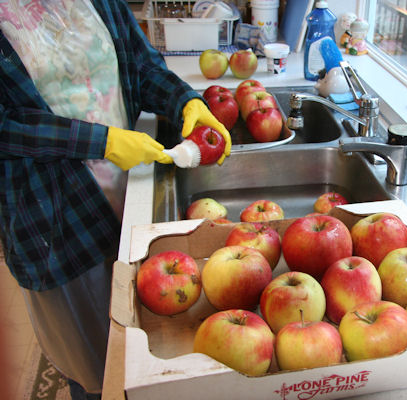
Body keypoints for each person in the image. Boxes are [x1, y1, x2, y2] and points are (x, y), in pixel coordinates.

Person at [0, 0, 231, 398]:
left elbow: (140, 64)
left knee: (147, 339)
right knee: (97, 364)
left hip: (131, 188)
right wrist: (99, 141)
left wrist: (185, 100)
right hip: (55, 218)